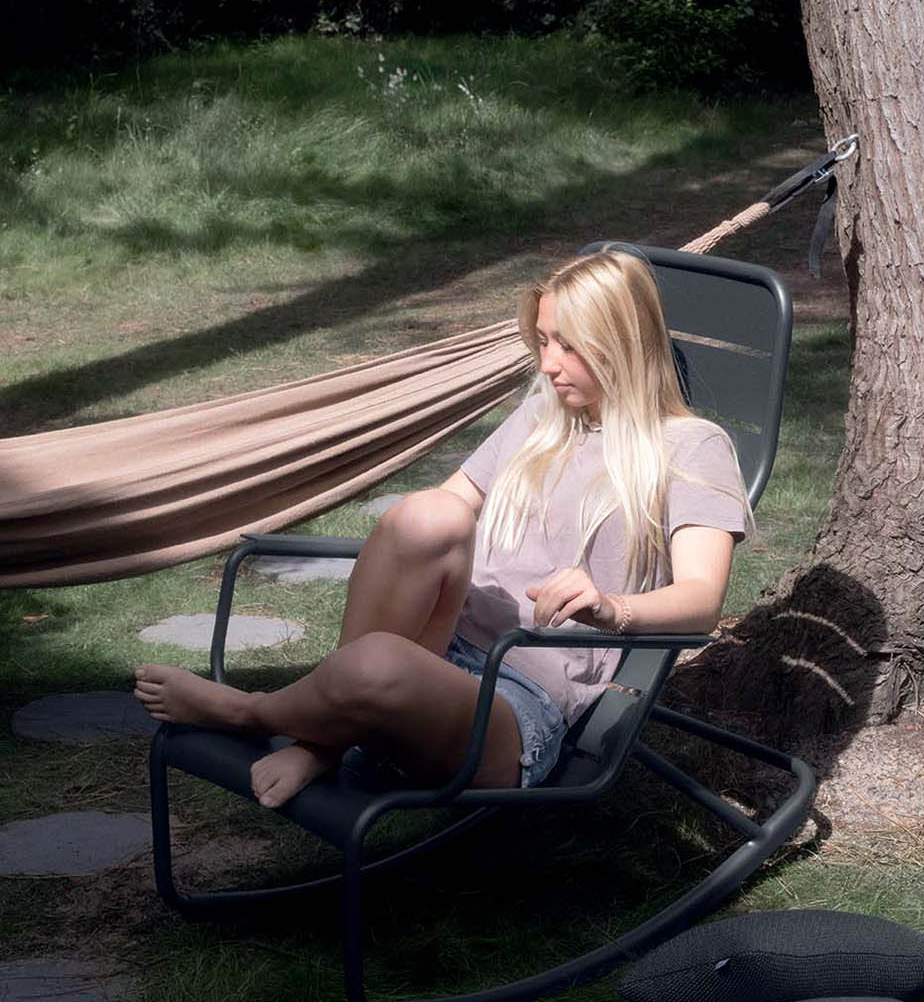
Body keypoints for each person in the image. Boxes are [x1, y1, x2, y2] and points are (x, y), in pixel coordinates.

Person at [134, 248, 749, 808]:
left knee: (377, 662)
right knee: (430, 515)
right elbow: (439, 516)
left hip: (520, 699)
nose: (547, 364)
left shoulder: (691, 447)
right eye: (542, 341)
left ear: (622, 344)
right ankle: (326, 739)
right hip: (441, 646)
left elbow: (702, 599)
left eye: (569, 346)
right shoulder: (543, 417)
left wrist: (611, 607)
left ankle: (251, 714)